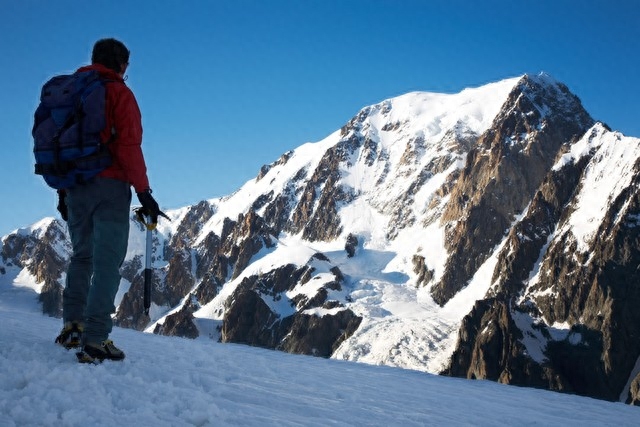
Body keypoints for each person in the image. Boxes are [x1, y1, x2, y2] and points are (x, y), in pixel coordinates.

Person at [54, 38, 166, 363]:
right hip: (110, 185)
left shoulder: (69, 95)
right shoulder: (120, 94)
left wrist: (63, 190)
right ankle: (96, 339)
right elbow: (129, 147)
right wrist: (144, 193)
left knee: (81, 257)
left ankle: (72, 328)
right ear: (120, 64)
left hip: (75, 186)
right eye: (127, 65)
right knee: (106, 264)